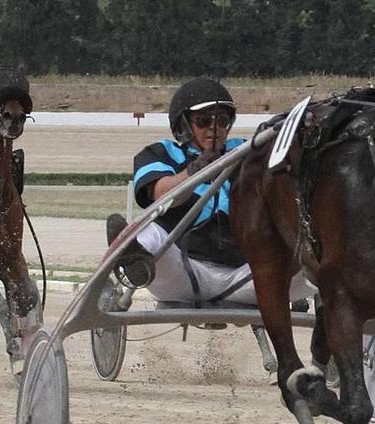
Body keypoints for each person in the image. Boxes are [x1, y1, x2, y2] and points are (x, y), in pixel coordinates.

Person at [108, 78, 315, 307]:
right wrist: (194, 172)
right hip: (183, 275)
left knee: (323, 252)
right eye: (204, 121)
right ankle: (133, 257)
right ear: (184, 125)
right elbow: (160, 195)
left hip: (249, 278)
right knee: (147, 229)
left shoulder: (247, 152)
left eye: (223, 121)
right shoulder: (160, 153)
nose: (215, 129)